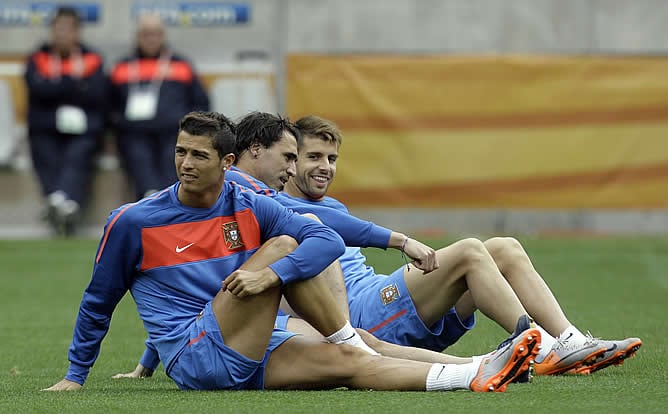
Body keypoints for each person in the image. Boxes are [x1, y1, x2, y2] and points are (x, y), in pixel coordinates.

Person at [44, 111, 539, 393]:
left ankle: (476, 371)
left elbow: (326, 236)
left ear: (229, 162)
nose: (186, 164)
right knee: (288, 245)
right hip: (198, 359)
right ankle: (536, 345)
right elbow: (99, 300)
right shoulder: (134, 221)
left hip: (254, 334)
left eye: (199, 155)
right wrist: (75, 377)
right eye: (180, 152)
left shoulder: (247, 202)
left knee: (353, 360)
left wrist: (268, 277)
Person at [276, 114, 642, 377]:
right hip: (361, 317)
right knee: (468, 251)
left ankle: (571, 340)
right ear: (290, 163)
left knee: (504, 248)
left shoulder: (331, 205)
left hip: (377, 294)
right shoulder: (278, 208)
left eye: (332, 159)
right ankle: (541, 348)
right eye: (313, 157)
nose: (325, 167)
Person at [24, 6, 108, 236]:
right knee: (44, 151)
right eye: (57, 29)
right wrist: (75, 84)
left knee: (78, 155)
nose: (61, 34)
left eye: (67, 29)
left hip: (83, 129)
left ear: (76, 32)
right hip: (45, 126)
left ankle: (58, 201)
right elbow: (36, 90)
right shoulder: (37, 58)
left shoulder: (92, 58)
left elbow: (97, 94)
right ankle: (66, 204)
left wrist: (55, 86)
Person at [109, 13, 209, 201]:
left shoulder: (181, 65)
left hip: (174, 132)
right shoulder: (122, 67)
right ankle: (151, 198)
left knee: (173, 157)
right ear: (138, 36)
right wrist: (120, 123)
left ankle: (169, 201)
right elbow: (109, 104)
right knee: (138, 157)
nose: (151, 39)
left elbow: (201, 102)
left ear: (163, 36)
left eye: (155, 33)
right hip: (134, 132)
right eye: (146, 33)